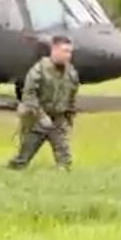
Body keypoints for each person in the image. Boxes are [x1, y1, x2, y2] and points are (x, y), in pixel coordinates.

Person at [8, 36, 79, 170]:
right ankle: (13, 169)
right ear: (54, 50)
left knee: (64, 155)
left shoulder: (71, 72)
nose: (68, 56)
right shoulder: (39, 70)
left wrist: (69, 114)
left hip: (58, 118)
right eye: (65, 51)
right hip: (36, 118)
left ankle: (63, 172)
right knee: (23, 158)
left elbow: (72, 93)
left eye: (70, 52)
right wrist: (40, 117)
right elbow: (29, 95)